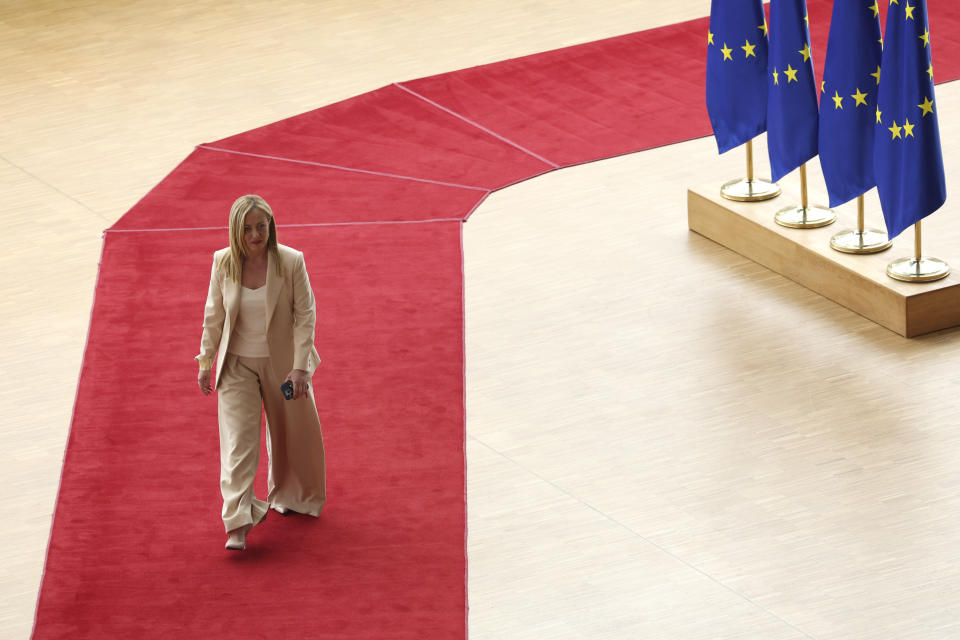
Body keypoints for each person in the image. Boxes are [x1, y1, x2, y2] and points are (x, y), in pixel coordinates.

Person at [196, 194, 326, 551]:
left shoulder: (290, 261)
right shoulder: (223, 262)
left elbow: (305, 315)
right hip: (236, 365)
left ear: (271, 225)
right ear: (236, 230)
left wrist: (300, 367)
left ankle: (292, 495)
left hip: (284, 365)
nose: (255, 234)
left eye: (261, 226)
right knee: (239, 442)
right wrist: (206, 361)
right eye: (248, 228)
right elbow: (214, 316)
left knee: (290, 436)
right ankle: (237, 521)